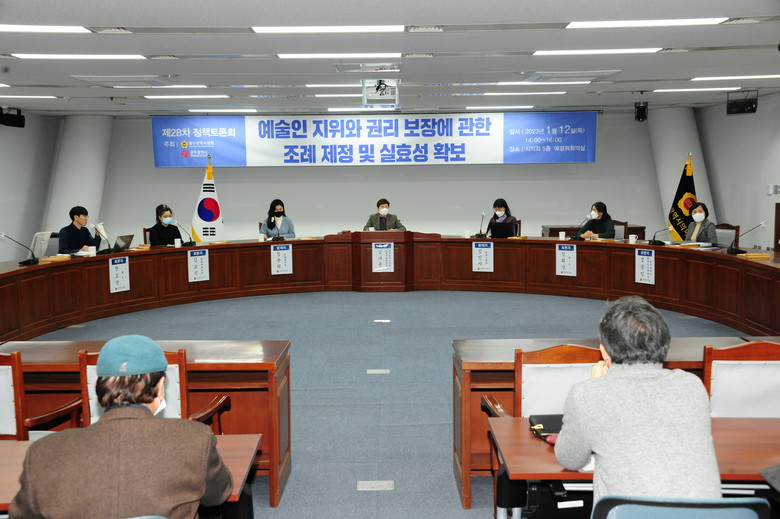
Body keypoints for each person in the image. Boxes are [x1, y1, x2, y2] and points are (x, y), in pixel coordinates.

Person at [9, 335, 233, 519]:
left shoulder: (43, 451)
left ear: (96, 386)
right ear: (161, 386)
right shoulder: (194, 439)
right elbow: (218, 495)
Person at [554, 296, 721, 504]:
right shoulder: (692, 386)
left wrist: (596, 385)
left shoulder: (587, 394)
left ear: (604, 351)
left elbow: (570, 459)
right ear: (665, 344)